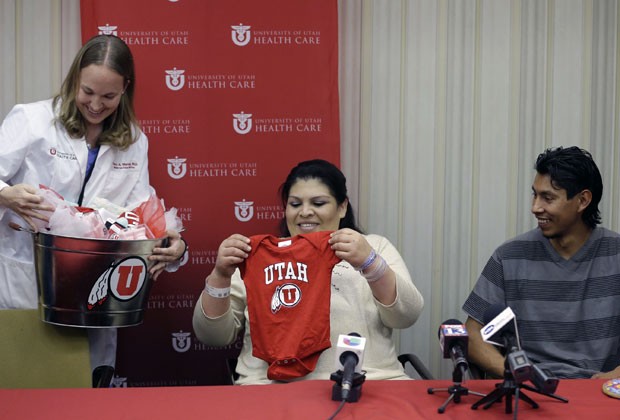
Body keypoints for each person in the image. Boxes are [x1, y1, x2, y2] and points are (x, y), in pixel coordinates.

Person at [0, 35, 187, 382]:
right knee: (26, 392)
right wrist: (5, 195)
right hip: (27, 283)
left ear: (125, 90)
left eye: (109, 96)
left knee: (85, 394)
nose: (96, 105)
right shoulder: (32, 120)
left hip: (97, 292)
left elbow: (137, 215)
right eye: (88, 92)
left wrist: (169, 242)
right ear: (74, 80)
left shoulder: (133, 140)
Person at [192, 159, 424, 384]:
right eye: (295, 204)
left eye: (318, 203)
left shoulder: (373, 246)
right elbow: (213, 336)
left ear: (342, 207)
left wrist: (370, 263)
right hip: (271, 388)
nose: (305, 212)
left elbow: (407, 316)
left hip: (369, 382)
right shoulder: (257, 256)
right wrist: (220, 275)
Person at [462, 146, 620, 380]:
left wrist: (615, 376)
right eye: (535, 195)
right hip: (529, 392)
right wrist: (516, 373)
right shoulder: (509, 256)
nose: (535, 207)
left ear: (583, 200)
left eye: (548, 197)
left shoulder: (615, 254)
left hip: (599, 393)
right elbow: (472, 335)